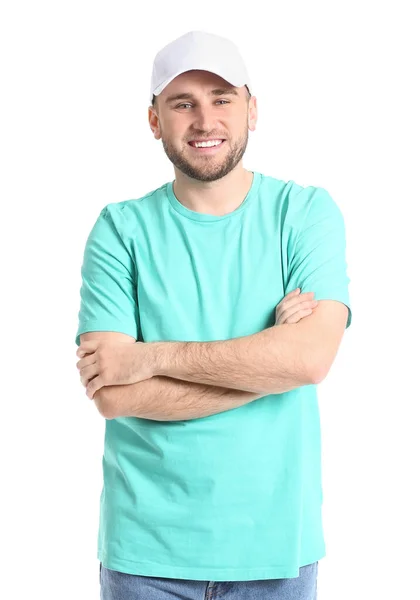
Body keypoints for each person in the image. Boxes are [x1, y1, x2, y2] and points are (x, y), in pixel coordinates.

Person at [75, 30, 352, 600]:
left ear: (252, 109)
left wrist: (148, 359)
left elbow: (309, 359)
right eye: (183, 103)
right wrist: (267, 363)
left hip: (275, 554)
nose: (205, 121)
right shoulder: (120, 229)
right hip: (144, 556)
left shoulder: (303, 214)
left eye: (222, 98)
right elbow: (114, 395)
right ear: (154, 120)